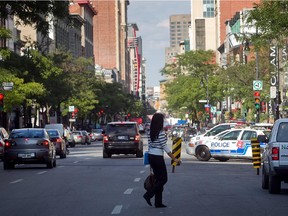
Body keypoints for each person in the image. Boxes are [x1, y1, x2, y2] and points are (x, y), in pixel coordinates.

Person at [143, 112, 181, 208]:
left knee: (158, 180)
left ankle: (158, 202)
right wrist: (175, 159)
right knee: (163, 179)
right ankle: (148, 195)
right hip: (158, 157)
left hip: (152, 156)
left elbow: (149, 146)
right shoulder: (161, 133)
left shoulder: (149, 131)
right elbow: (165, 147)